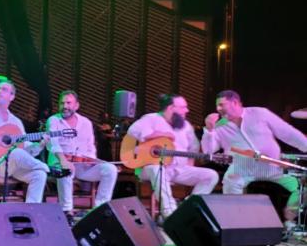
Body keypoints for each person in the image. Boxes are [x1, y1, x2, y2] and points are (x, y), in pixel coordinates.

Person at [202, 90, 307, 226]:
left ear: (235, 103)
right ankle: (237, 223)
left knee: (301, 185)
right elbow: (208, 150)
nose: (218, 109)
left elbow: (288, 133)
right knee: (230, 182)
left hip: (273, 166)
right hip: (242, 167)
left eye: (222, 105)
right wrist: (209, 129)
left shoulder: (259, 113)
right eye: (217, 106)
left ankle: (289, 219)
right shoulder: (220, 125)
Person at [127, 93, 219, 218]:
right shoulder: (151, 118)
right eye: (183, 107)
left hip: (178, 168)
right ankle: (170, 213)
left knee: (211, 175)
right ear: (171, 108)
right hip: (149, 168)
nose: (187, 110)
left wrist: (190, 163)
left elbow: (194, 148)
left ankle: (186, 209)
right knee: (157, 169)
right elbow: (132, 131)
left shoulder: (186, 126)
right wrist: (159, 134)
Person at [46, 91, 117, 218]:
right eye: (62, 103)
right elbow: (53, 143)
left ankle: (99, 209)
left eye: (68, 103)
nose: (65, 106)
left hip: (82, 165)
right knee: (66, 169)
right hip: (60, 163)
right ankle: (67, 211)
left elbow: (90, 146)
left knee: (110, 169)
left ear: (76, 105)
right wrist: (63, 160)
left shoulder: (86, 122)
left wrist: (91, 160)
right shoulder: (53, 120)